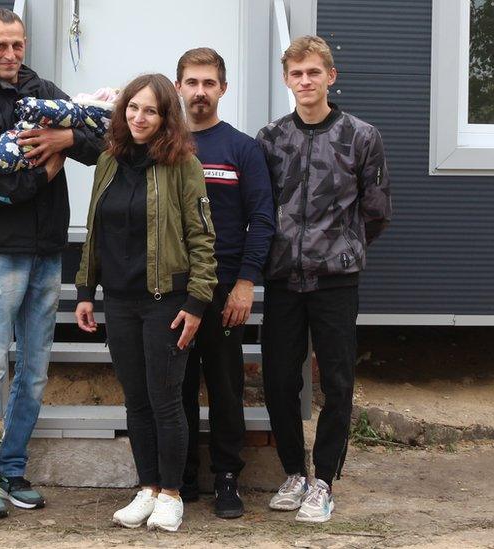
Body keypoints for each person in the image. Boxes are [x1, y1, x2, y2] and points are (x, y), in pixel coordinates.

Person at [0, 8, 104, 518]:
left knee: (34, 371)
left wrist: (63, 140)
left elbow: (100, 140)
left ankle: (12, 469)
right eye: (0, 46)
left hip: (46, 250)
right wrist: (41, 175)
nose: (11, 55)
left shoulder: (46, 89)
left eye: (18, 44)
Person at [256, 35, 392, 523]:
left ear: (330, 76)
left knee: (337, 382)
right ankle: (294, 471)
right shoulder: (270, 138)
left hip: (336, 280)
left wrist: (344, 249)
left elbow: (376, 212)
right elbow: (261, 207)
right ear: (286, 79)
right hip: (283, 279)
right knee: (278, 378)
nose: (306, 81)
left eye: (314, 72)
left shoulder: (361, 136)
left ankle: (325, 481)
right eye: (297, 73)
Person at [74, 73, 217, 532]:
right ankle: (147, 488)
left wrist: (197, 303)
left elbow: (202, 237)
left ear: (165, 117)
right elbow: (95, 230)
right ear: (123, 110)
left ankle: (172, 494)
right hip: (119, 300)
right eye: (133, 107)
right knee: (135, 400)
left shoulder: (183, 164)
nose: (139, 117)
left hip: (166, 301)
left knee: (165, 399)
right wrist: (84, 291)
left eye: (150, 110)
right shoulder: (108, 161)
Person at [173, 48, 275, 518]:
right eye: (192, 82)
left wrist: (246, 282)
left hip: (224, 288)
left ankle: (228, 478)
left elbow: (262, 218)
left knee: (226, 384)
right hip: (174, 288)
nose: (200, 91)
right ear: (178, 87)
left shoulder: (242, 148)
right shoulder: (165, 145)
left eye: (208, 83)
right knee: (178, 385)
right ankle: (183, 475)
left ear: (223, 89)